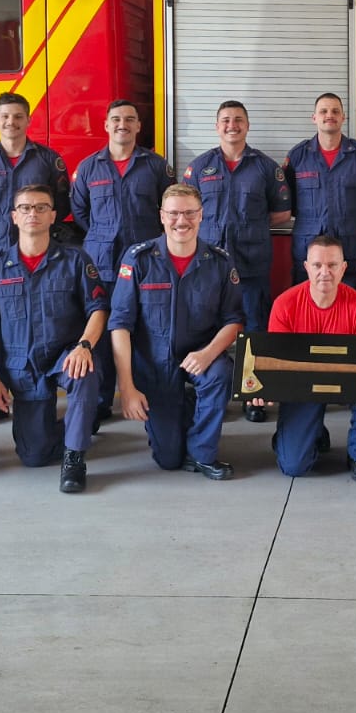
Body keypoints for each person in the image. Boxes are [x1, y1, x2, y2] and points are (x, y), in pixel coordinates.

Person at [0, 184, 106, 493]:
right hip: (22, 365)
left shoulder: (76, 260)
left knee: (85, 372)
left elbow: (99, 309)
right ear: (14, 217)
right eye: (25, 208)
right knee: (33, 456)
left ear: (53, 216)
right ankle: (79, 423)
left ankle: (74, 459)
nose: (33, 213)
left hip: (64, 355)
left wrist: (84, 346)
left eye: (41, 207)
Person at [109, 184, 244, 480]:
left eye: (189, 213)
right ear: (161, 216)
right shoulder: (139, 259)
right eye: (173, 214)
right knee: (168, 459)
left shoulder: (219, 262)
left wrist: (209, 353)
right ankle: (179, 415)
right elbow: (120, 325)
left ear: (201, 215)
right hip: (155, 364)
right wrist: (127, 388)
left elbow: (234, 319)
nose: (181, 221)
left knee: (221, 372)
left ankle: (203, 452)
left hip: (200, 355)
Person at [0, 91, 71, 428]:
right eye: (5, 116)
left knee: (35, 319)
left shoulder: (48, 161)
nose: (11, 122)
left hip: (36, 253)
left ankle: (35, 390)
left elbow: (61, 204)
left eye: (18, 116)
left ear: (28, 120)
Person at [183, 100, 292, 423]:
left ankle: (253, 394)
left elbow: (282, 213)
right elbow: (186, 213)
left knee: (254, 329)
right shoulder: (199, 168)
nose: (233, 125)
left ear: (247, 125)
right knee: (202, 328)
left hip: (251, 262)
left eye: (239, 120)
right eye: (226, 120)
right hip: (208, 266)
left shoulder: (266, 168)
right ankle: (204, 391)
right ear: (217, 126)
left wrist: (250, 225)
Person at [71, 98, 173, 427]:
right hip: (101, 264)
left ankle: (144, 393)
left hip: (146, 263)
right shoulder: (88, 167)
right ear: (106, 124)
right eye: (116, 119)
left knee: (145, 328)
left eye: (130, 119)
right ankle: (101, 401)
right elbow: (80, 213)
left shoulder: (156, 166)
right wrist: (103, 236)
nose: (122, 125)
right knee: (101, 330)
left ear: (139, 126)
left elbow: (169, 210)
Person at [261, 234, 356, 480]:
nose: (324, 272)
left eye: (332, 265)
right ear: (306, 267)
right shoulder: (285, 304)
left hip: (347, 380)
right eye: (317, 265)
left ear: (344, 268)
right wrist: (264, 391)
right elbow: (278, 363)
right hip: (301, 387)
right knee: (293, 466)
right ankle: (306, 433)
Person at [284, 93, 356, 282]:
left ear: (343, 117)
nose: (329, 115)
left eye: (335, 111)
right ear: (314, 118)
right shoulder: (298, 156)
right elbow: (287, 200)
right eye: (323, 111)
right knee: (307, 302)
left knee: (350, 301)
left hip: (350, 247)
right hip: (308, 246)